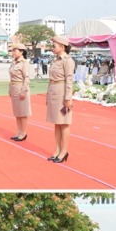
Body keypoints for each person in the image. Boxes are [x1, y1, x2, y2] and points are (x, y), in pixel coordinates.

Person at [46, 35, 75, 163]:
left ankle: (64, 151)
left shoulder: (67, 61)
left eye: (54, 46)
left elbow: (69, 80)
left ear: (62, 47)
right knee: (57, 123)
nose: (52, 48)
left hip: (63, 94)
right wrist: (48, 95)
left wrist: (68, 99)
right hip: (53, 92)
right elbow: (50, 80)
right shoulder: (55, 60)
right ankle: (57, 150)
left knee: (64, 123)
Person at [8, 42, 31, 142]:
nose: (13, 52)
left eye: (15, 50)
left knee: (23, 112)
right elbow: (11, 77)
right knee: (17, 112)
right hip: (14, 87)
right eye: (13, 50)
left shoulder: (24, 63)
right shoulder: (13, 62)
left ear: (21, 52)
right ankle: (19, 131)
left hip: (21, 87)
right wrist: (10, 89)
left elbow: (27, 78)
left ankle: (23, 132)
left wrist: (23, 91)